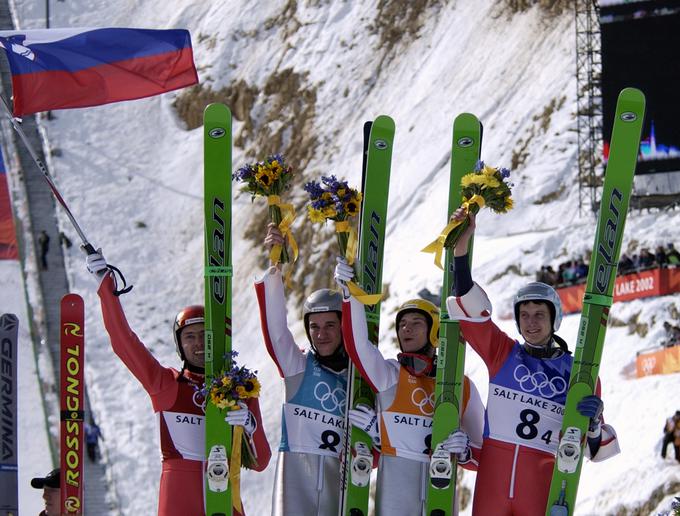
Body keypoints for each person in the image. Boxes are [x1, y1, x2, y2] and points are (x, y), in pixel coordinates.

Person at [445, 208, 619, 516]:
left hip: (539, 479)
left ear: (555, 319)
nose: (531, 323)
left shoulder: (578, 372)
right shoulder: (503, 353)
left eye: (540, 315)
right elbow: (471, 310)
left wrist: (593, 424)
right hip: (492, 479)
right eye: (524, 315)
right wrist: (461, 250)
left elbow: (593, 449)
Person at [85, 251, 271, 516]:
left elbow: (261, 462)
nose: (197, 343)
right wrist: (105, 285)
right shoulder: (166, 384)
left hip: (223, 492)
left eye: (204, 335)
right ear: (180, 346)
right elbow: (123, 341)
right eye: (189, 337)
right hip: (179, 496)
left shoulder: (239, 390)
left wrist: (249, 426)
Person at [334, 258, 485, 516]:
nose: (406, 328)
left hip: (440, 489)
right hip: (395, 489)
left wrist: (465, 451)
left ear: (435, 331)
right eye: (402, 324)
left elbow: (485, 456)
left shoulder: (461, 386)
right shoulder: (391, 375)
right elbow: (358, 346)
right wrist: (350, 294)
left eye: (416, 323)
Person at [255, 223, 350, 516]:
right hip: (293, 489)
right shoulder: (297, 365)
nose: (321, 334)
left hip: (337, 487)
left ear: (343, 328)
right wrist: (275, 267)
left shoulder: (359, 377)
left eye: (330, 326)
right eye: (314, 327)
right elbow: (277, 331)